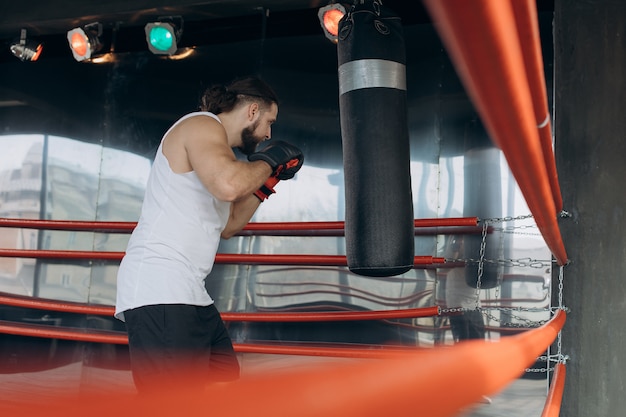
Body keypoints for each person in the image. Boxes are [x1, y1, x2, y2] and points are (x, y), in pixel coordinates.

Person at [114, 76, 303, 394]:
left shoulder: (220, 158)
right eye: (269, 122)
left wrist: (269, 182)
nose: (270, 133)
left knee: (221, 383)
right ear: (253, 110)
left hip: (188, 292)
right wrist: (269, 162)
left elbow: (229, 225)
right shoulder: (201, 125)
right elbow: (229, 186)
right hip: (160, 286)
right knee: (171, 404)